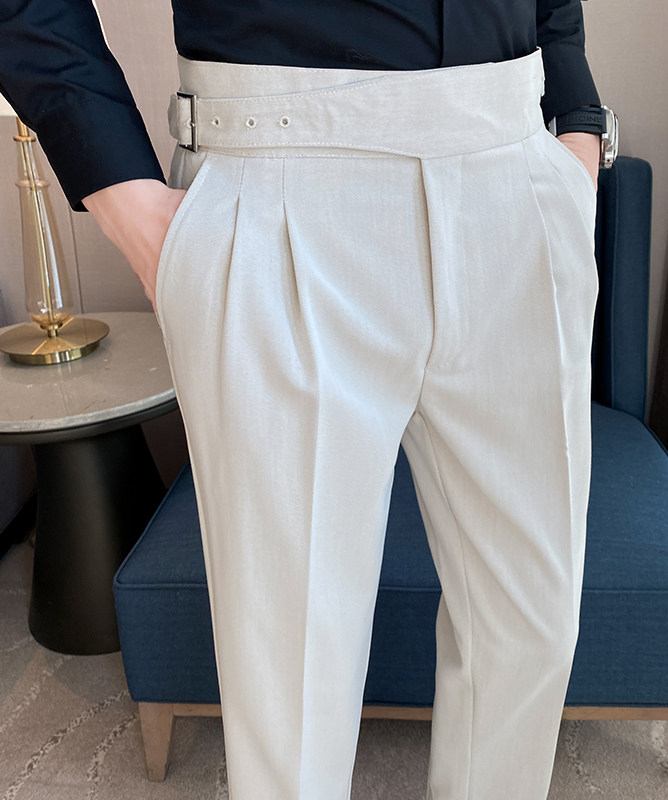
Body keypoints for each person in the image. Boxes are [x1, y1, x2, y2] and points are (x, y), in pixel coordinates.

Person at [0, 1, 606, 797]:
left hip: (514, 173)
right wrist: (128, 198)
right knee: (289, 675)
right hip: (277, 171)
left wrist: (579, 126)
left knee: (532, 626)